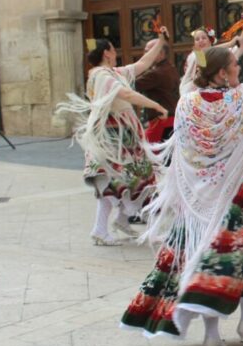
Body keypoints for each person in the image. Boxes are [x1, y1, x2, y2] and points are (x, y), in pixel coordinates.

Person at [121, 15, 243, 346]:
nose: (239, 68)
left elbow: (184, 152)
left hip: (202, 195)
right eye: (235, 65)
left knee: (208, 256)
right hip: (242, 193)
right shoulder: (242, 98)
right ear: (222, 73)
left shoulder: (187, 103)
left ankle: (216, 332)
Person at [56, 37, 168, 245]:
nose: (116, 52)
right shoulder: (101, 75)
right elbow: (126, 94)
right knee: (114, 182)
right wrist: (156, 106)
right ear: (106, 53)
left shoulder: (113, 73)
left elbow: (143, 63)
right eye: (113, 49)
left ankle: (120, 221)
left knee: (131, 180)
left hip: (121, 137)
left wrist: (161, 41)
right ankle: (101, 229)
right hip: (112, 138)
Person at [134, 37, 180, 143]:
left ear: (161, 54)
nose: (145, 55)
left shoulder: (156, 73)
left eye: (148, 51)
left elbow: (131, 85)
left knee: (151, 151)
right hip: (170, 119)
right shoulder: (170, 67)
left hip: (161, 121)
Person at [181, 27, 243, 97]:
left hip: (214, 92)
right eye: (197, 39)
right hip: (192, 94)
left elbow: (240, 48)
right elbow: (204, 54)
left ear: (210, 41)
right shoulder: (194, 55)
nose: (200, 41)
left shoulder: (218, 54)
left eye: (203, 38)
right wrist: (230, 43)